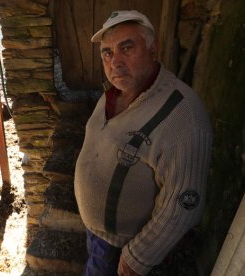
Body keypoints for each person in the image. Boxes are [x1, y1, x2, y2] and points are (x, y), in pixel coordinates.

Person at [74, 10, 213, 276]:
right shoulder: (114, 94)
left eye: (127, 48)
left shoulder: (183, 116)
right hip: (98, 236)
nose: (115, 62)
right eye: (107, 53)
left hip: (125, 248)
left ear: (153, 50)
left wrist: (139, 257)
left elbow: (183, 204)